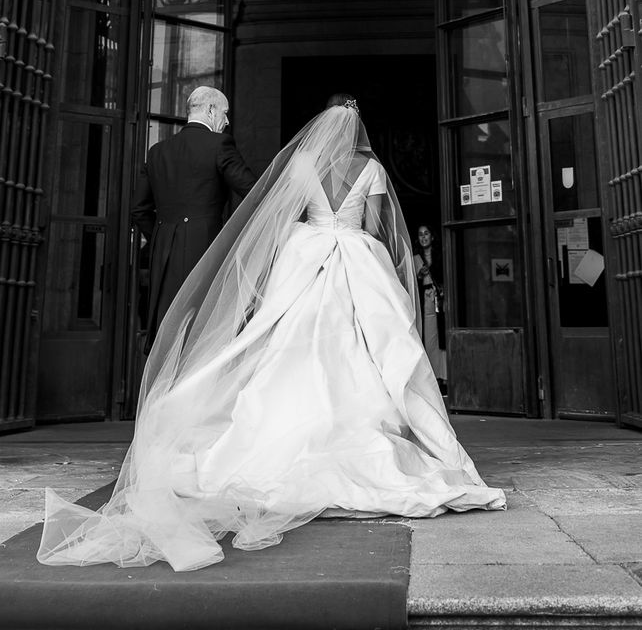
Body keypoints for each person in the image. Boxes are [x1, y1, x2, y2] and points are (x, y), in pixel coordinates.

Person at [38, 94, 505, 572]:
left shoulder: (300, 164)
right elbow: (375, 227)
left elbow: (279, 215)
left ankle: (229, 421)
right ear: (356, 131)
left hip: (300, 255)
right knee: (368, 349)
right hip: (355, 259)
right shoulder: (374, 170)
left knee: (281, 347)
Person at [131, 86, 256, 351]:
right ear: (210, 110)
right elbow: (252, 190)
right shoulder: (219, 144)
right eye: (224, 112)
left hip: (162, 255)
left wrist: (163, 237)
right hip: (205, 249)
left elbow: (139, 210)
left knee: (168, 334)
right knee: (202, 334)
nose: (227, 120)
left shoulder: (157, 151)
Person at [414, 224, 448, 394]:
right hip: (426, 300)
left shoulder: (441, 255)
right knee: (430, 339)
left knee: (444, 337)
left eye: (426, 233)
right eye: (420, 235)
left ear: (432, 236)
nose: (424, 237)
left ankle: (446, 377)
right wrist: (419, 275)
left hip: (441, 299)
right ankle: (434, 377)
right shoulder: (416, 258)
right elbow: (410, 283)